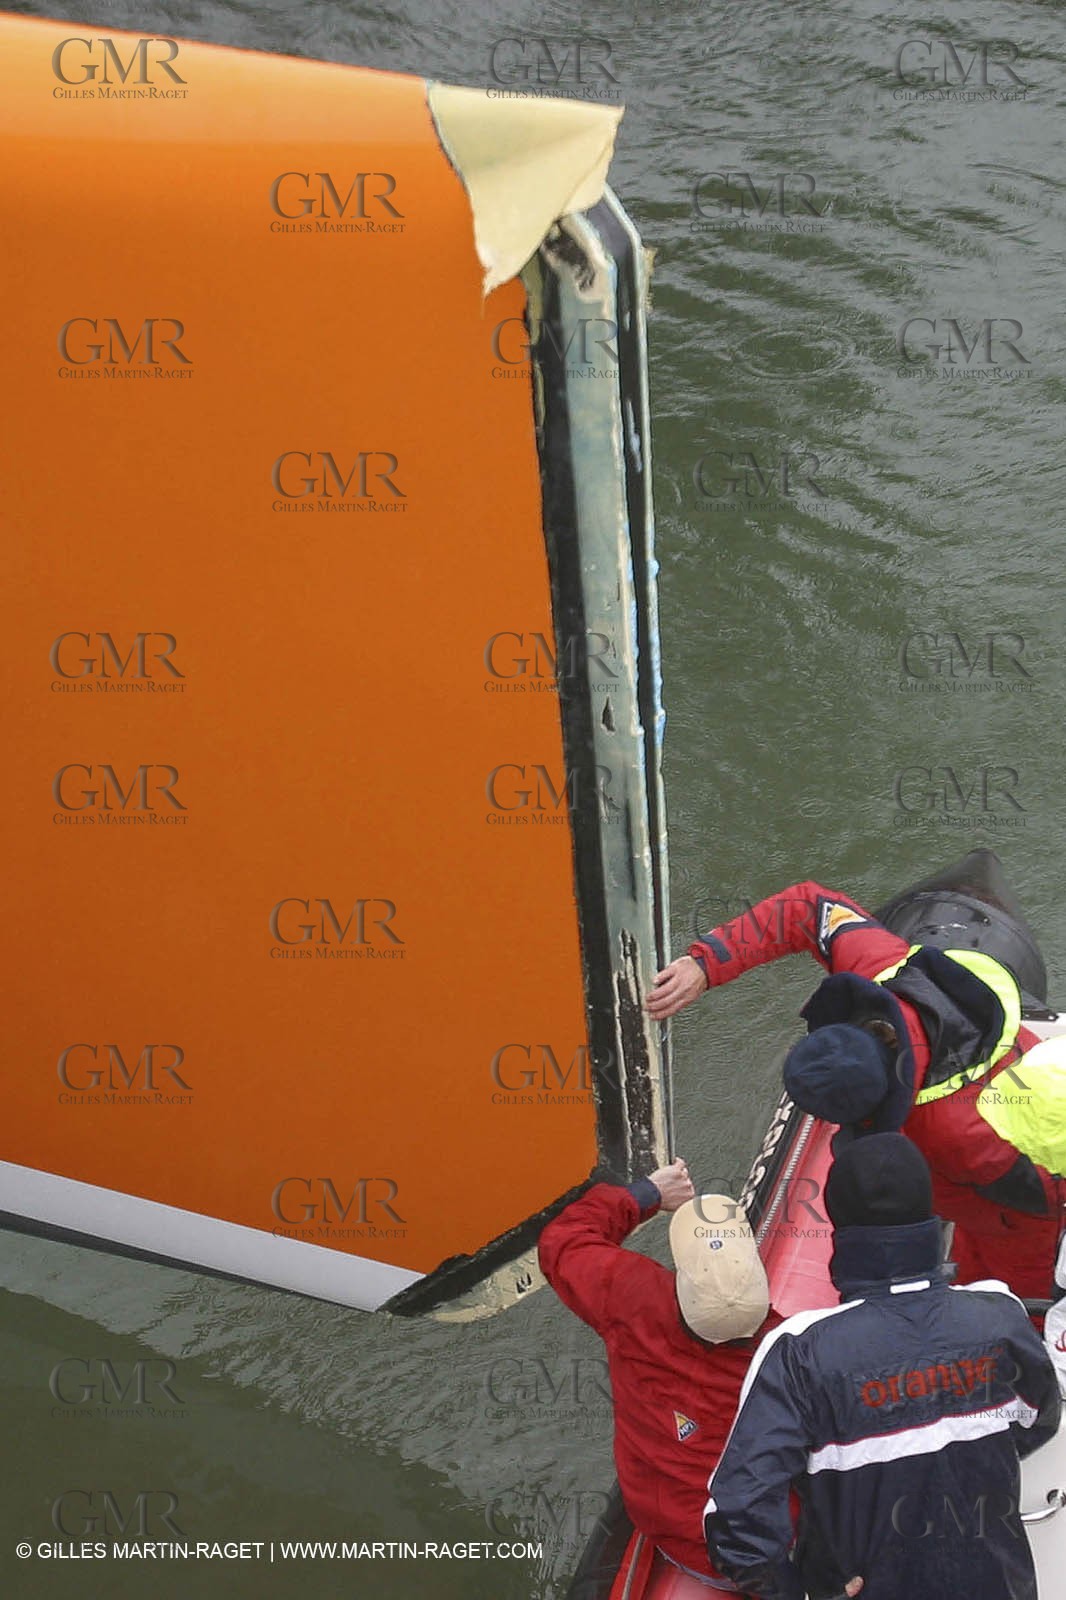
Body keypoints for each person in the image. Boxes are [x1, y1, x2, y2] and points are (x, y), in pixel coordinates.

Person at [646, 878, 1066, 1297]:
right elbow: (807, 906)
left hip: (1025, 1202)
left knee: (1010, 1296)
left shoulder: (956, 1133)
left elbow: (1037, 1203)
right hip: (1010, 1085)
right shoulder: (880, 969)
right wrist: (707, 963)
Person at [704, 1133, 1061, 1600]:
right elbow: (1039, 1421)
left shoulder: (798, 1352)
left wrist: (794, 1592)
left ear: (841, 1227)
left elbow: (738, 1517)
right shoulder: (1001, 1316)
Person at [539, 1157, 779, 1586]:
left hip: (679, 1539)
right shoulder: (801, 1353)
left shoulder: (633, 1300)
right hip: (777, 1551)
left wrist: (647, 1193)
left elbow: (563, 1241)